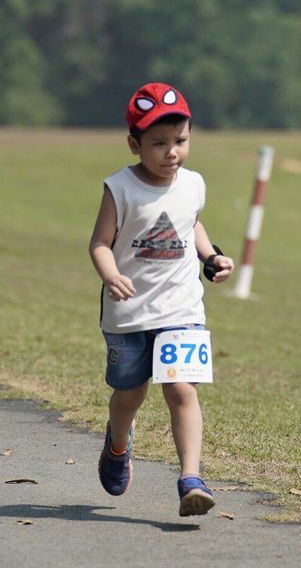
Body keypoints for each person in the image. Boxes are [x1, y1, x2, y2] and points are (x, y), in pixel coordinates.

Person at [88, 82, 235, 517]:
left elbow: (191, 226)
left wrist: (211, 257)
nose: (172, 152)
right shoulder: (120, 188)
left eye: (181, 140)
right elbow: (99, 242)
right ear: (134, 143)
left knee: (181, 391)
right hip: (129, 313)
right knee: (129, 396)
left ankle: (191, 478)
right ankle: (118, 444)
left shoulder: (192, 184)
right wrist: (111, 273)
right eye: (159, 143)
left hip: (181, 308)